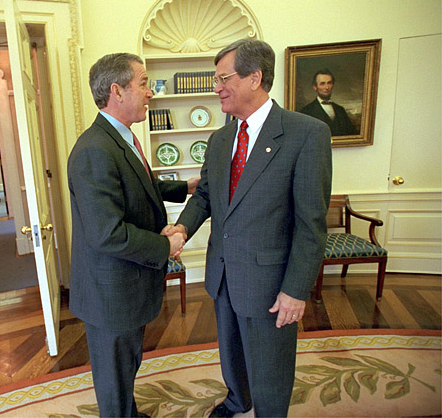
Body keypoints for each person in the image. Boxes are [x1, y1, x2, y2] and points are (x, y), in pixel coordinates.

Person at [164, 40, 332, 417]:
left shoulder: (306, 133)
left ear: (255, 77)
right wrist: (180, 230)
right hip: (223, 273)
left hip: (272, 283)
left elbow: (311, 223)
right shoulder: (221, 138)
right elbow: (205, 196)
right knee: (232, 354)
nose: (216, 87)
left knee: (271, 368)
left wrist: (295, 289)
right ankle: (238, 401)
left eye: (224, 78)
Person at [67, 52, 198, 418]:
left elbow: (139, 184)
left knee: (124, 371)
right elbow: (107, 233)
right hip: (111, 293)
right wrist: (166, 245)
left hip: (124, 287)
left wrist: (183, 187)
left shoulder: (116, 139)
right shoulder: (95, 149)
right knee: (114, 378)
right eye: (143, 83)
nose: (150, 92)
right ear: (117, 91)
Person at [300, 68, 358, 136]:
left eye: (329, 83)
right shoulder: (306, 111)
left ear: (332, 85)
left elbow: (351, 135)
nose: (327, 87)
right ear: (315, 87)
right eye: (322, 84)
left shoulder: (340, 110)